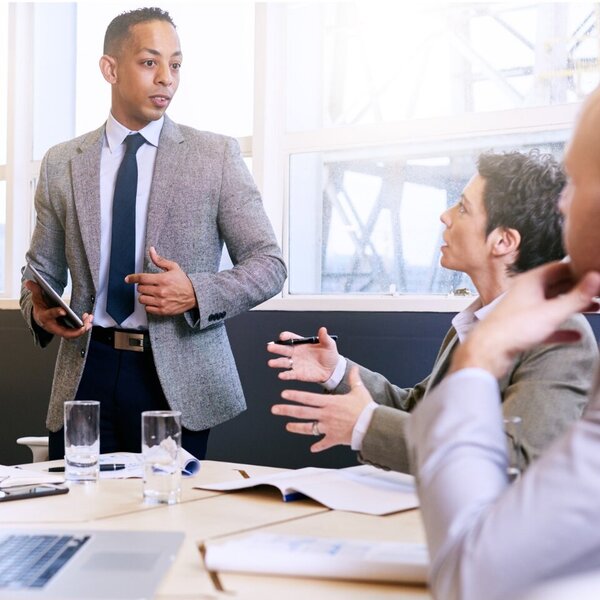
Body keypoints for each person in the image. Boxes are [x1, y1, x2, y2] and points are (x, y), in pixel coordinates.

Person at [20, 7, 286, 460]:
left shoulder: (215, 156)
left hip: (177, 381)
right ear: (111, 68)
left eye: (176, 64)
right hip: (88, 372)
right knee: (81, 516)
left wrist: (196, 292)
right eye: (150, 62)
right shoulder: (62, 163)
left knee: (167, 519)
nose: (167, 78)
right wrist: (37, 310)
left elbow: (269, 264)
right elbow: (39, 270)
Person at [268, 151, 597, 473]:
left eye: (464, 208)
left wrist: (366, 423)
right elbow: (418, 411)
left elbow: (516, 457)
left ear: (504, 242)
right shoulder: (472, 324)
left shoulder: (560, 336)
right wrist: (336, 371)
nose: (446, 215)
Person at [403, 86, 600, 600]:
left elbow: (473, 577)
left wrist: (478, 360)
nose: (561, 204)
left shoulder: (561, 339)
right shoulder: (476, 317)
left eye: (575, 183)